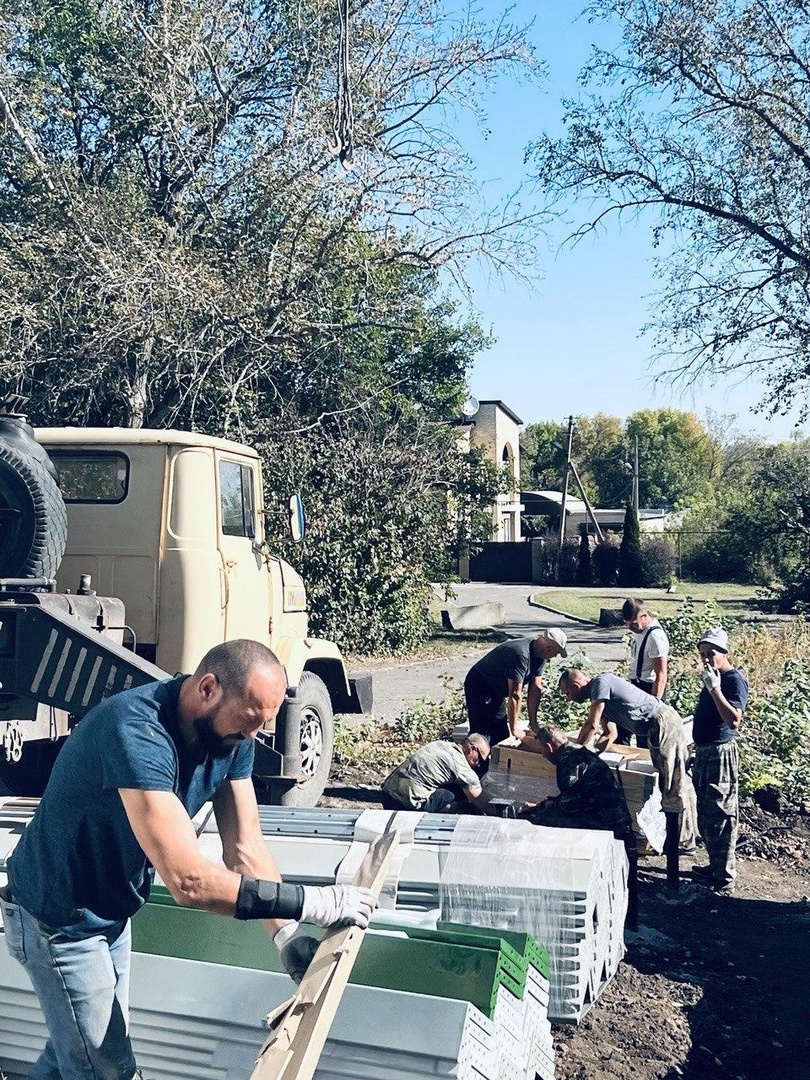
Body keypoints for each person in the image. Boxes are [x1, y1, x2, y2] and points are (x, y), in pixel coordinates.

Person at [0, 639, 375, 1080]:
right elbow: (188, 881)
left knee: (80, 1052)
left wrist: (287, 934)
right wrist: (310, 902)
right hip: (57, 919)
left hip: (111, 912)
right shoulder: (136, 729)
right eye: (247, 721)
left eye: (262, 725)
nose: (251, 737)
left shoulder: (234, 736)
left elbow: (245, 847)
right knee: (107, 1068)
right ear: (208, 688)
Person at [558, 668, 697, 850]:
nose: (569, 698)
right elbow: (610, 734)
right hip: (655, 727)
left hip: (663, 722)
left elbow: (591, 725)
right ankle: (684, 837)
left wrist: (572, 755)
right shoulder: (602, 697)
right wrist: (590, 756)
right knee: (670, 781)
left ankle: (683, 842)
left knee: (673, 782)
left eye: (567, 693)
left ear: (576, 686)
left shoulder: (601, 684)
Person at [691, 627, 748, 895]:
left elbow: (734, 719)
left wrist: (714, 689)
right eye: (702, 654)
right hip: (705, 751)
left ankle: (724, 876)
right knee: (706, 811)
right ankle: (714, 865)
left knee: (721, 811)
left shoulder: (733, 680)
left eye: (711, 654)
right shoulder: (711, 677)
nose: (706, 659)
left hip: (720, 753)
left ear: (724, 652)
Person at [518, 724, 635, 849]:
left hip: (605, 820)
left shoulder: (569, 762)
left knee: (541, 820)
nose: (543, 755)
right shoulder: (578, 751)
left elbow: (569, 804)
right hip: (616, 816)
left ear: (549, 747)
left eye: (542, 750)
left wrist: (541, 809)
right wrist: (541, 805)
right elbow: (573, 794)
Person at [464, 629, 568, 744]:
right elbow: (515, 694)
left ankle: (493, 760)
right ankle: (470, 758)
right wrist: (514, 729)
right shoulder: (520, 654)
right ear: (549, 649)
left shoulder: (540, 657)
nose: (554, 656)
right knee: (482, 732)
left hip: (496, 690)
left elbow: (535, 690)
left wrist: (533, 724)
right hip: (479, 684)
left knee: (501, 734)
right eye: (556, 653)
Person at [381, 733, 491, 813]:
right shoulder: (460, 765)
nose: (479, 764)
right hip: (406, 805)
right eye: (480, 759)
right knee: (458, 794)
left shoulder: (440, 744)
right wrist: (498, 814)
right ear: (471, 749)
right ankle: (437, 816)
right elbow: (479, 799)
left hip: (387, 795)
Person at [620, 599, 670, 746]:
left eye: (633, 623)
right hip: (637, 686)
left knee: (647, 737)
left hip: (649, 689)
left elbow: (661, 675)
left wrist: (654, 705)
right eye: (626, 623)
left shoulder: (655, 636)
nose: (630, 627)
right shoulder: (640, 630)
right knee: (626, 728)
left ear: (644, 616)